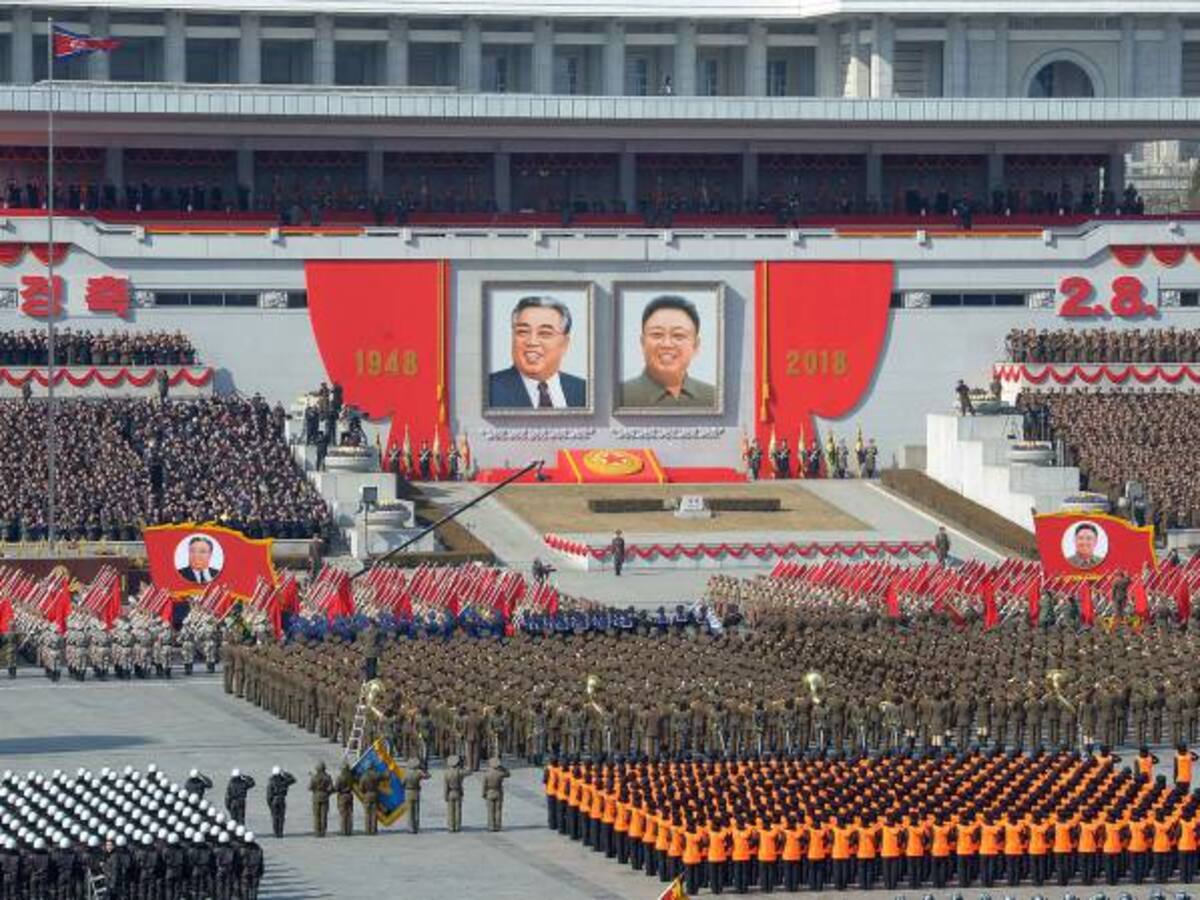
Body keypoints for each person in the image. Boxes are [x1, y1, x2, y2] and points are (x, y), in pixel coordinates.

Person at [488, 296, 587, 409]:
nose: (532, 342)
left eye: (544, 333)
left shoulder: (584, 391)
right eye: (523, 332)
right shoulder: (487, 390)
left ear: (564, 344)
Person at [618, 295, 716, 409]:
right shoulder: (618, 397)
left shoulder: (714, 398)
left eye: (678, 335)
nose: (667, 344)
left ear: (696, 346)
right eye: (657, 334)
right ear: (642, 343)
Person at [266, 765, 296, 838]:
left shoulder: (271, 781)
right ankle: (280, 832)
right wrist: (285, 773)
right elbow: (293, 780)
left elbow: (269, 794)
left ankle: (276, 832)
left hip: (274, 800)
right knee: (281, 817)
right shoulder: (284, 780)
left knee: (274, 817)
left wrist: (269, 804)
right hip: (282, 799)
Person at [482, 757, 510, 832]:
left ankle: (491, 826)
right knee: (498, 810)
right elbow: (508, 774)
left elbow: (484, 785)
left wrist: (483, 793)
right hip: (498, 792)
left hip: (489, 792)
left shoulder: (486, 774)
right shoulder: (500, 773)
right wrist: (502, 768)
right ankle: (498, 826)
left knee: (490, 811)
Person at [444, 755, 470, 833]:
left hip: (450, 793)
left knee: (450, 811)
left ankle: (451, 827)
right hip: (458, 792)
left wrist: (445, 796)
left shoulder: (446, 773)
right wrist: (464, 765)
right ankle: (457, 826)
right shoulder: (460, 772)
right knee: (458, 811)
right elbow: (469, 772)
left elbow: (446, 786)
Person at [402, 764, 431, 834]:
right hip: (416, 792)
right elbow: (428, 776)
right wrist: (424, 770)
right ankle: (416, 827)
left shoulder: (406, 773)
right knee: (416, 810)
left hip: (408, 792)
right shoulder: (418, 773)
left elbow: (402, 783)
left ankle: (410, 828)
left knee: (410, 812)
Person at [309, 762, 334, 837]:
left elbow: (310, 787)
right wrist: (327, 793)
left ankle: (317, 831)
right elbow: (331, 788)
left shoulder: (314, 777)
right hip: (325, 797)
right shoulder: (328, 777)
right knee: (324, 815)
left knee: (317, 815)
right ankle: (323, 831)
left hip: (316, 797)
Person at [334, 763, 356, 836]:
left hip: (342, 796)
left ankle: (343, 831)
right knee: (349, 814)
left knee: (343, 814)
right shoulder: (351, 777)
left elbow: (336, 788)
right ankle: (349, 830)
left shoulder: (340, 778)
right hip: (349, 795)